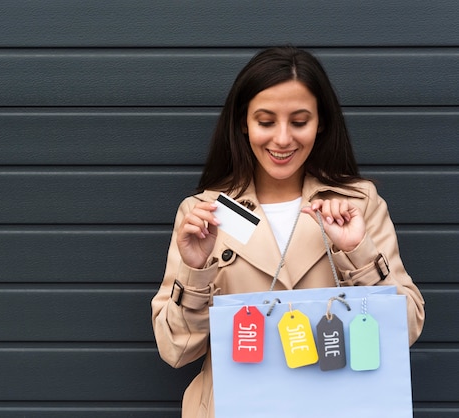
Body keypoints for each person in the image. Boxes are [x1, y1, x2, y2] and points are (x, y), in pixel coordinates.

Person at [151, 46, 425, 418]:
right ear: (243, 123)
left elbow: (404, 330)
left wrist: (358, 251)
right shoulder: (207, 214)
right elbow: (176, 349)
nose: (282, 139)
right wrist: (196, 271)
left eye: (299, 121)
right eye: (265, 121)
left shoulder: (358, 204)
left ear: (321, 122)